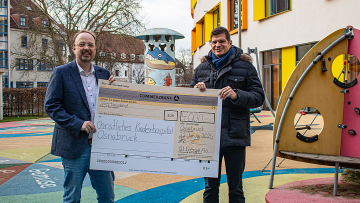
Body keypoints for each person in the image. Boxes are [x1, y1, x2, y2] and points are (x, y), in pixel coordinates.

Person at [190, 26, 265, 203]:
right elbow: (190, 100)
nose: (218, 45)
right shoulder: (201, 68)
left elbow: (259, 97)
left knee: (236, 188)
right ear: (210, 44)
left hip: (234, 135)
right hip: (207, 137)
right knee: (209, 189)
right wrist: (196, 91)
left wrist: (237, 94)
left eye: (222, 41)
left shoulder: (245, 66)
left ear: (230, 43)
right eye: (214, 42)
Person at [45, 30, 116, 203]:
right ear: (74, 48)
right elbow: (51, 106)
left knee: (107, 197)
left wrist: (117, 90)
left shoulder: (104, 74)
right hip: (74, 145)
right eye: (82, 44)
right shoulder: (61, 72)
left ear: (95, 49)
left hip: (101, 145)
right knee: (72, 197)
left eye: (90, 45)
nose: (86, 48)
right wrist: (77, 124)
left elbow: (112, 107)